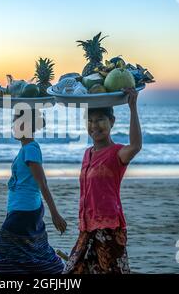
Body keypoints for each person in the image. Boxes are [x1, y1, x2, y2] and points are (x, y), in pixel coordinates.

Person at [64, 88, 142, 274]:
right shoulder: (87, 154)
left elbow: (136, 146)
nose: (94, 125)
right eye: (90, 121)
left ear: (112, 121)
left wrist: (133, 107)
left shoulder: (117, 153)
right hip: (86, 227)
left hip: (109, 228)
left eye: (100, 119)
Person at [0, 109, 67, 274]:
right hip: (22, 209)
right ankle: (55, 270)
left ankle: (54, 270)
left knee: (2, 250)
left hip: (25, 210)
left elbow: (42, 183)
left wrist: (55, 213)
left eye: (17, 122)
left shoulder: (30, 149)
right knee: (33, 249)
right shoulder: (26, 148)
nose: (13, 126)